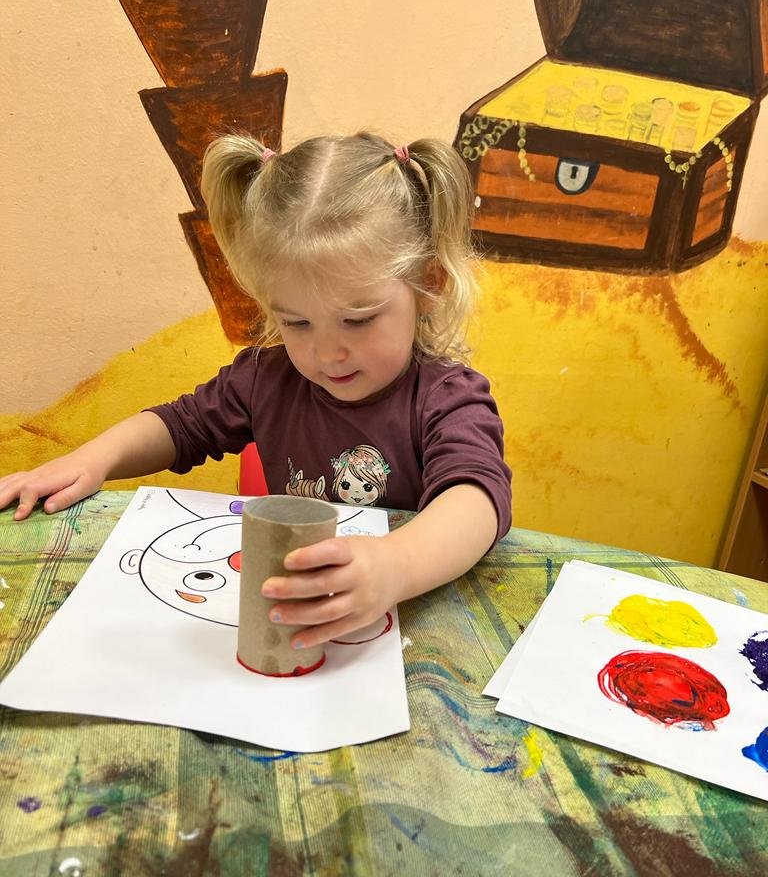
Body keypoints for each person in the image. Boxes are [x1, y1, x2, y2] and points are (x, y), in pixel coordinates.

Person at [0, 132, 512, 649]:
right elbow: (179, 426)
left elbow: (475, 500)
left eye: (357, 320)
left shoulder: (447, 398)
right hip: (289, 620)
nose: (326, 354)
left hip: (405, 632)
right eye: (297, 322)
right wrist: (93, 459)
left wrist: (396, 565)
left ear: (429, 284)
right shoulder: (267, 378)